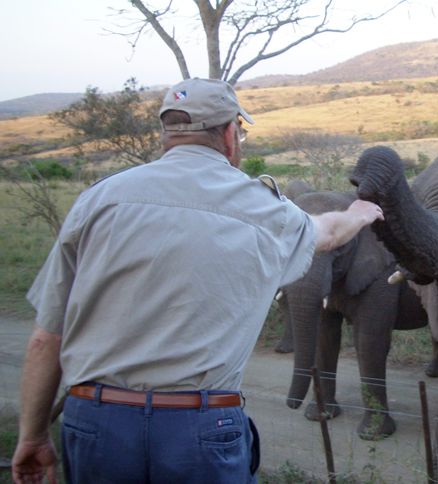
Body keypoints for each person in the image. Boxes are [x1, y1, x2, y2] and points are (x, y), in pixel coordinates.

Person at [11, 78, 384, 484]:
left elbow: (45, 339)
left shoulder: (97, 200)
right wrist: (360, 213)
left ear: (166, 134)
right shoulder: (264, 208)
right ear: (229, 133)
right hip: (199, 425)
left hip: (97, 421)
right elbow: (326, 233)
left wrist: (31, 435)